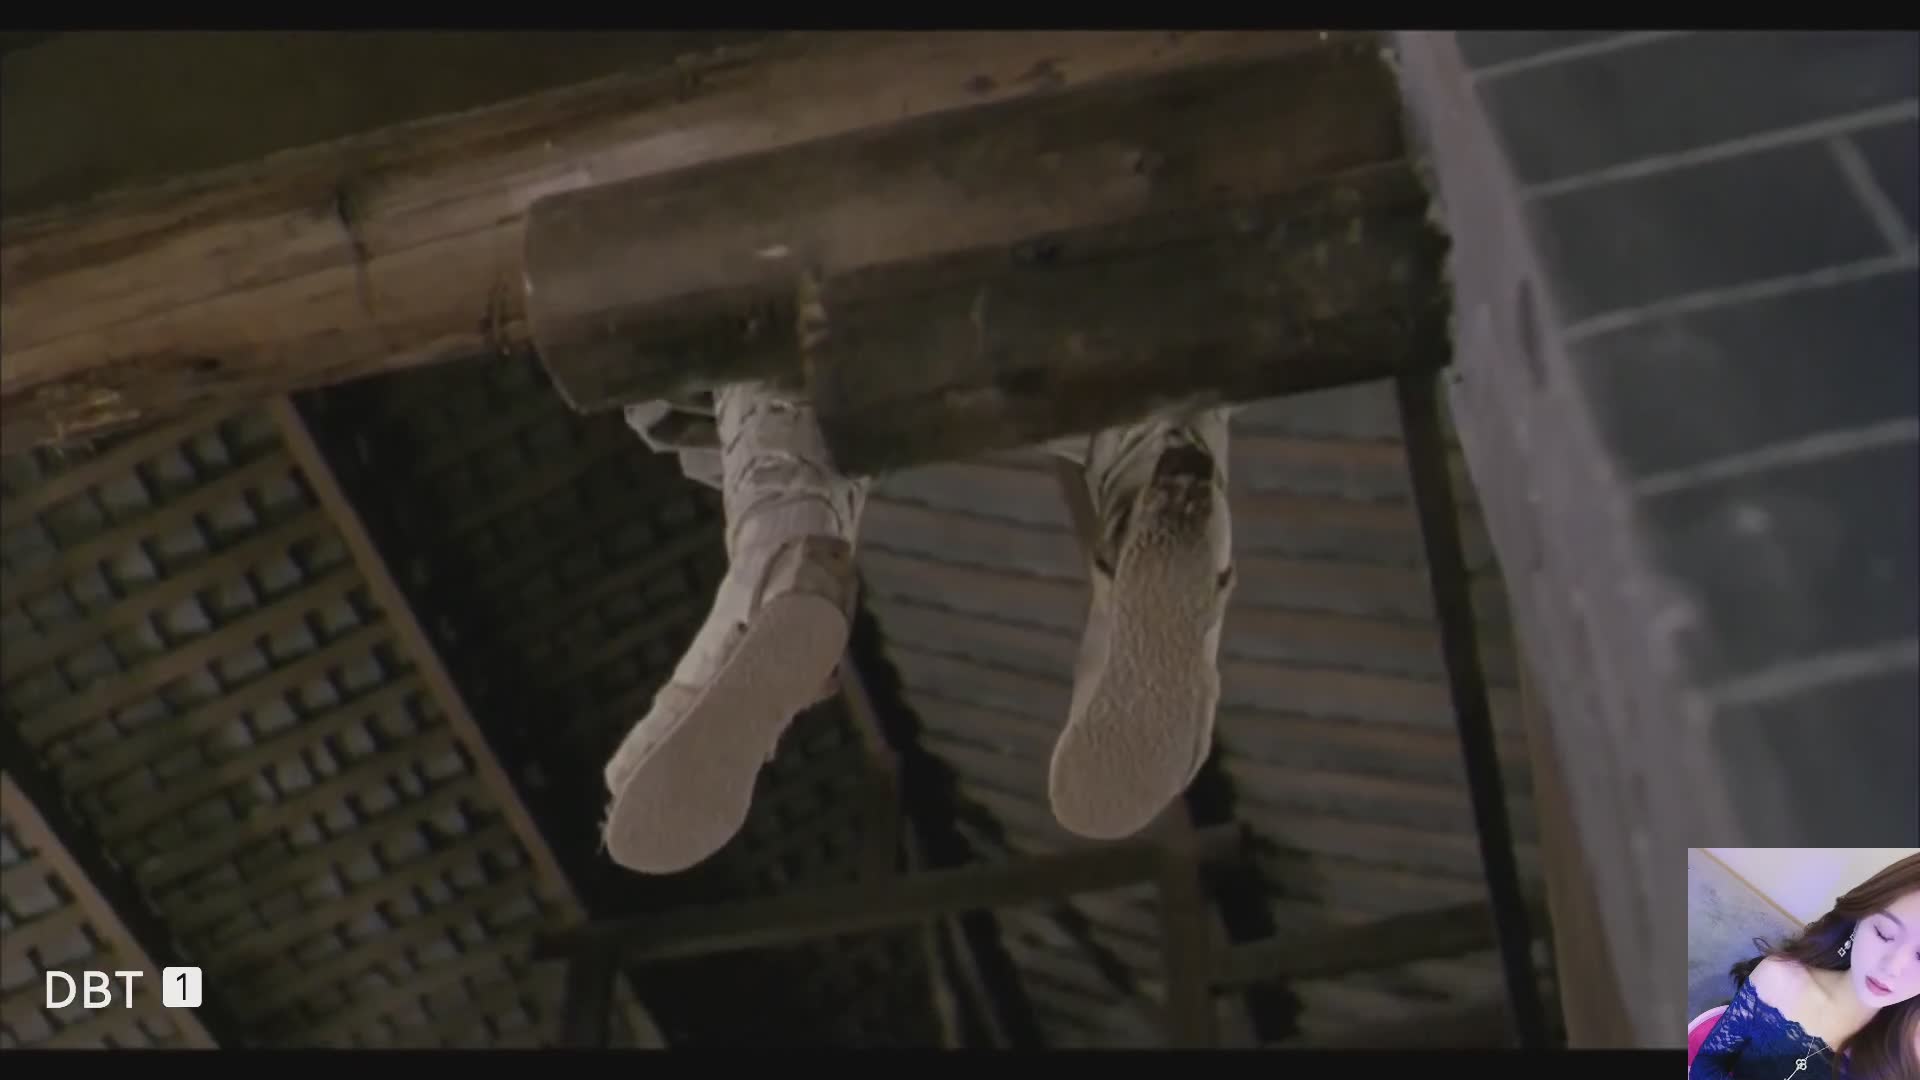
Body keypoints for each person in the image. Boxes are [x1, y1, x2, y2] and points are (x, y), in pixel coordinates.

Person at [598, 376, 1235, 875]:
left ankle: (782, 566)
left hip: (782, 274)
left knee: (767, 404)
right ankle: (1167, 502)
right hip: (1074, 280)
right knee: (1150, 391)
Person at [1692, 853, 1920, 1080]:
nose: (1892, 967)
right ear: (1859, 919)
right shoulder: (1780, 979)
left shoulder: (1911, 1056)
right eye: (1884, 933)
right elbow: (1707, 1062)